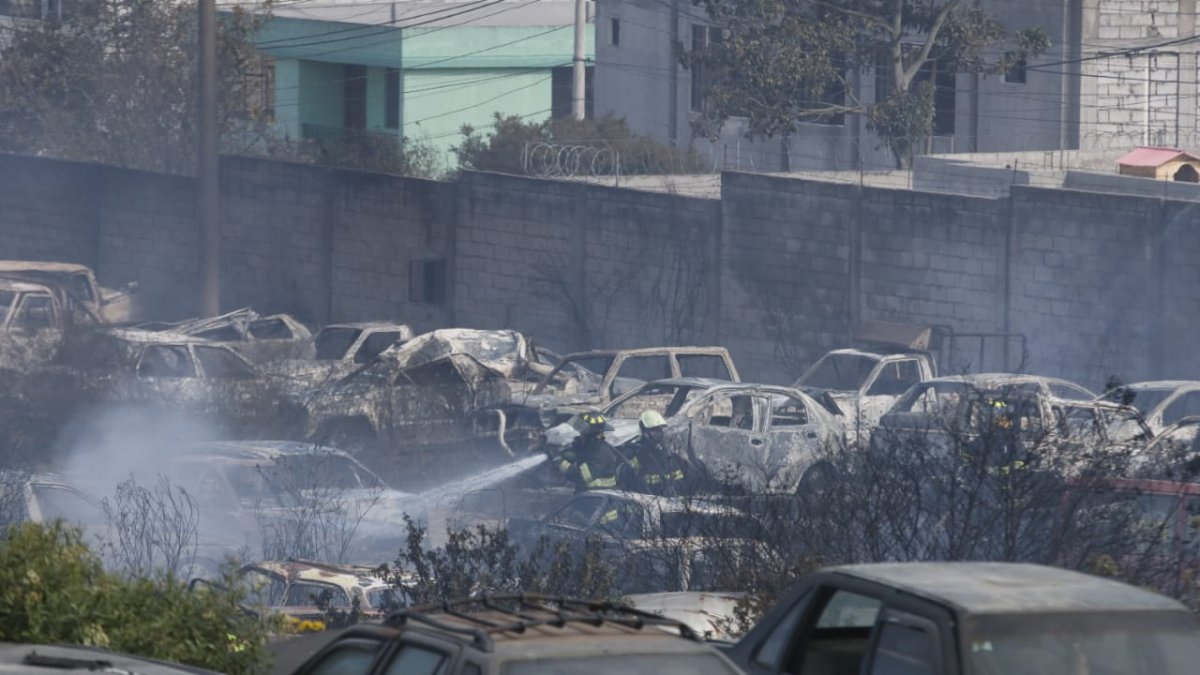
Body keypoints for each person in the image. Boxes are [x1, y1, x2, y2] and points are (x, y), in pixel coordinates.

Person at [551, 411, 623, 492]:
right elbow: (579, 455)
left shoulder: (600, 453)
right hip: (588, 494)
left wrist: (558, 461)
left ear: (590, 436)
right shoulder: (590, 447)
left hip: (599, 497)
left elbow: (579, 476)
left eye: (581, 434)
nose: (578, 436)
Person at [620, 410, 688, 496]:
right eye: (655, 430)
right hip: (648, 501)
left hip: (671, 501)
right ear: (644, 431)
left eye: (660, 429)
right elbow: (628, 481)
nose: (659, 433)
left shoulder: (666, 451)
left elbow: (681, 477)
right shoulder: (636, 452)